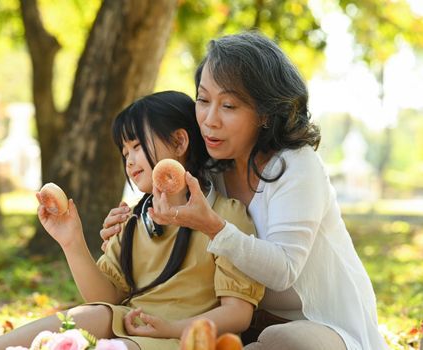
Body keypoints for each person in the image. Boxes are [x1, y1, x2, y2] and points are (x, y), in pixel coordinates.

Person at [100, 32, 389, 350]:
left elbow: (283, 271)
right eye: (203, 100)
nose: (209, 120)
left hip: (319, 323)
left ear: (265, 114)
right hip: (241, 320)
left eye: (228, 105)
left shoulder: (297, 166)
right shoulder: (211, 169)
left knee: (282, 340)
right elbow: (163, 212)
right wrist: (130, 225)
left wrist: (212, 225)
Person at [0, 91, 264, 350]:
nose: (129, 159)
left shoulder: (226, 217)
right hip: (132, 324)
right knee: (90, 316)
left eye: (137, 146)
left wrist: (170, 328)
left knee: (115, 344)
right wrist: (72, 241)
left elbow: (238, 314)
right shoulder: (134, 220)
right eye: (124, 151)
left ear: (179, 141)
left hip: (183, 337)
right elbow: (105, 297)